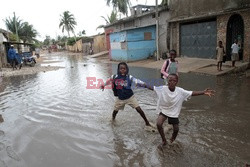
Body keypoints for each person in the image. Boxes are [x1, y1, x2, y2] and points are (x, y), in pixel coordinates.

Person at [144, 74, 215, 149]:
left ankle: (172, 140)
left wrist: (203, 92)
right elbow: (152, 87)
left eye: (174, 81)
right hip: (164, 110)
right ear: (167, 81)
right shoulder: (162, 88)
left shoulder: (180, 91)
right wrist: (141, 84)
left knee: (176, 129)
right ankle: (164, 140)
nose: (171, 82)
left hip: (174, 112)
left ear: (177, 82)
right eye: (170, 80)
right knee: (159, 123)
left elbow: (191, 93)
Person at [100, 62, 152, 127]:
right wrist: (103, 85)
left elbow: (136, 81)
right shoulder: (114, 77)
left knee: (138, 109)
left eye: (124, 68)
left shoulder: (129, 77)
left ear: (126, 69)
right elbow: (108, 81)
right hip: (120, 99)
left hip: (130, 97)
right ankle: (113, 120)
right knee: (115, 111)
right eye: (121, 68)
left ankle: (147, 122)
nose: (123, 70)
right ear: (118, 69)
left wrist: (144, 84)